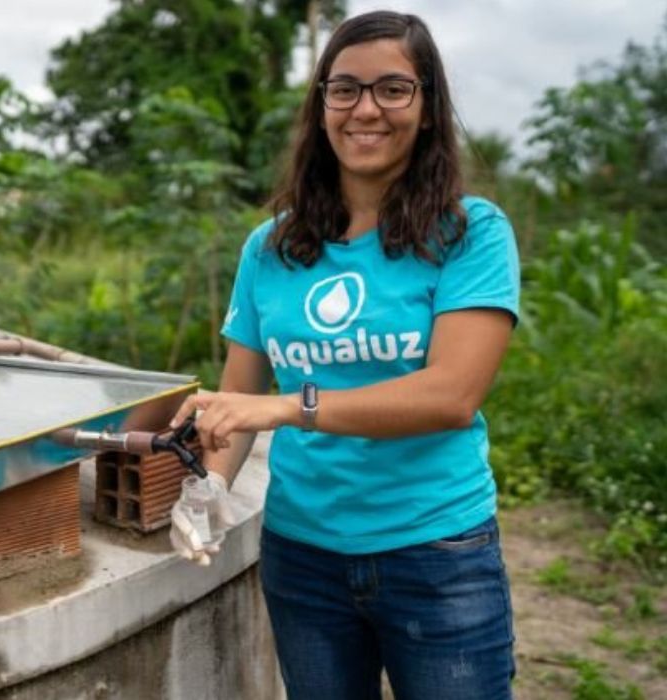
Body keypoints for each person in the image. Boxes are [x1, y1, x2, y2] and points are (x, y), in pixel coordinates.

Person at [168, 10, 519, 700]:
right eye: (345, 89)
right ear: (321, 105)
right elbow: (239, 399)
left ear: (427, 106)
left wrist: (287, 407)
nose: (366, 109)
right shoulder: (269, 247)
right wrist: (208, 487)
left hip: (437, 555)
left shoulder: (470, 232)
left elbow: (451, 395)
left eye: (393, 89)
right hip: (304, 559)